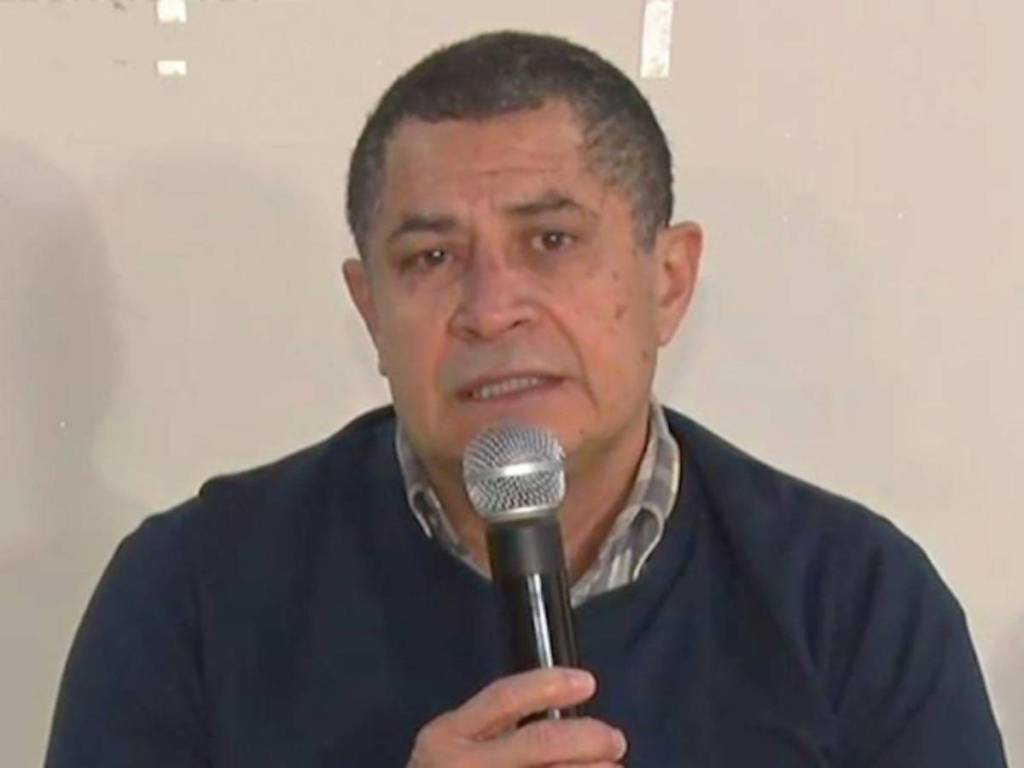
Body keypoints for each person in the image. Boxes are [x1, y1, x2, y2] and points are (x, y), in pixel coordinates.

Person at [46, 31, 1006, 767]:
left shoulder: (851, 597)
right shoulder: (191, 591)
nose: (490, 308)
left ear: (669, 280)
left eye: (551, 242)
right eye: (431, 257)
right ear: (370, 309)